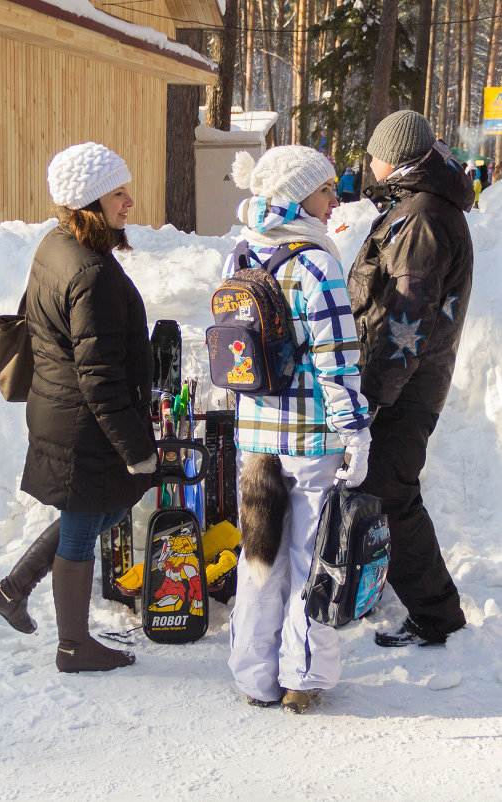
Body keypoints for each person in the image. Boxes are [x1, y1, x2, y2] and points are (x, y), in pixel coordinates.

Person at [0, 142, 158, 672]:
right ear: (88, 201)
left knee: (105, 508)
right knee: (84, 525)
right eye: (118, 194)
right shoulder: (91, 273)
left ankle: (13, 588)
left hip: (61, 409)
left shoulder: (57, 244)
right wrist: (135, 448)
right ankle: (74, 646)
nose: (130, 203)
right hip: (85, 421)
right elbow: (99, 374)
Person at [226, 146, 371, 713]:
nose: (334, 198)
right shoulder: (316, 262)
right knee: (312, 558)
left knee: (260, 559)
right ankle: (301, 677)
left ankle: (252, 675)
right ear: (295, 196)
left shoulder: (239, 255)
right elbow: (337, 359)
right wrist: (355, 432)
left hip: (255, 439)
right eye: (325, 189)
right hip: (311, 440)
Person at [347, 110, 474, 648]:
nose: (368, 163)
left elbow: (406, 315)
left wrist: (373, 397)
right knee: (384, 487)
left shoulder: (421, 217)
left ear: (395, 159)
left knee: (389, 490)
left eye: (374, 153)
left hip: (406, 381)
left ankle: (436, 612)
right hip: (407, 375)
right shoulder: (416, 207)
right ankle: (378, 587)